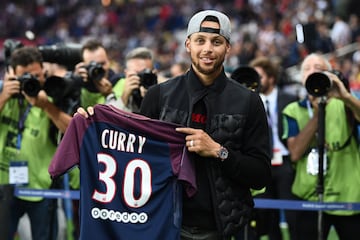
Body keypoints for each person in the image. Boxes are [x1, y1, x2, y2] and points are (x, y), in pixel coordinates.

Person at [77, 9, 272, 239]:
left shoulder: (248, 101)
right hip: (165, 225)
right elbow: (131, 156)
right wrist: (93, 127)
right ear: (188, 44)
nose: (208, 48)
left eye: (216, 42)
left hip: (226, 229)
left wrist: (218, 151)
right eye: (200, 40)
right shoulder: (159, 95)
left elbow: (261, 174)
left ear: (228, 47)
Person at [282, 53, 360, 240]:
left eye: (318, 68)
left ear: (329, 75)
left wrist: (345, 96)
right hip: (308, 196)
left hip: (348, 194)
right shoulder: (292, 110)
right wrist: (318, 114)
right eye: (307, 69)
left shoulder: (345, 103)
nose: (312, 72)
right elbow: (294, 153)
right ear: (302, 79)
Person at [0, 46, 72, 240]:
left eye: (36, 75)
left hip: (42, 188)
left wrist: (46, 105)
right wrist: (3, 97)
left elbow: (73, 131)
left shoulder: (55, 95)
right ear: (12, 74)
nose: (32, 80)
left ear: (44, 73)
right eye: (25, 76)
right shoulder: (4, 95)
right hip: (5, 184)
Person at [240, 56, 298, 240]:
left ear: (271, 78)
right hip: (262, 163)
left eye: (260, 76)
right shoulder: (248, 102)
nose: (256, 81)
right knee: (266, 217)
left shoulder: (289, 99)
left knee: (293, 215)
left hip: (286, 162)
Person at [106, 47, 160, 113]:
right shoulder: (119, 87)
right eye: (136, 74)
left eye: (145, 73)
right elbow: (110, 117)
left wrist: (152, 97)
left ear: (154, 73)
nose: (140, 78)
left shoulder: (164, 91)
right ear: (126, 74)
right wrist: (125, 97)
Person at [74, 39, 123, 108]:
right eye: (92, 65)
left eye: (102, 63)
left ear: (109, 61)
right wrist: (74, 83)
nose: (98, 69)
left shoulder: (122, 83)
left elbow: (120, 116)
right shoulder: (81, 85)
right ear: (84, 66)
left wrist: (109, 95)